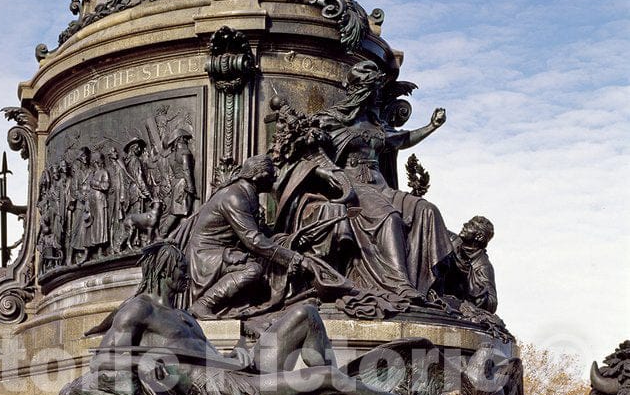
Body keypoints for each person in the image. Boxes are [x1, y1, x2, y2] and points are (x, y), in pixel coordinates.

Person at [19, 242, 461, 395]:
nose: (187, 277)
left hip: (235, 371)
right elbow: (107, 365)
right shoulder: (140, 309)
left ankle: (341, 393)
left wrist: (236, 355)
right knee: (325, 378)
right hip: (224, 394)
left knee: (305, 312)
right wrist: (157, 368)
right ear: (166, 271)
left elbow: (206, 353)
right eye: (181, 270)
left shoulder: (182, 314)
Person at [275, 61, 454, 309]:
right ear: (359, 92)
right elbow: (302, 155)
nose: (376, 97)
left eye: (377, 91)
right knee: (389, 217)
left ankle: (430, 287)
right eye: (373, 91)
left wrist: (431, 126)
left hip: (380, 184)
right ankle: (399, 283)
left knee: (426, 210)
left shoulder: (376, 124)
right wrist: (322, 171)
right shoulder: (330, 120)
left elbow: (402, 139)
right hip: (352, 184)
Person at [185, 155, 303, 318]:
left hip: (226, 251)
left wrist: (292, 240)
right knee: (252, 269)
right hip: (206, 254)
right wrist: (290, 257)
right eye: (270, 173)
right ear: (258, 176)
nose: (274, 178)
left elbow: (262, 235)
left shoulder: (248, 194)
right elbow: (253, 240)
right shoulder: (234, 196)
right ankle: (204, 304)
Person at [444, 216, 498, 313]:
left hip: (451, 305)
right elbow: (434, 229)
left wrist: (471, 283)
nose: (465, 225)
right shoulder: (451, 240)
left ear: (479, 237)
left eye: (471, 225)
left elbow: (492, 304)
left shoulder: (483, 266)